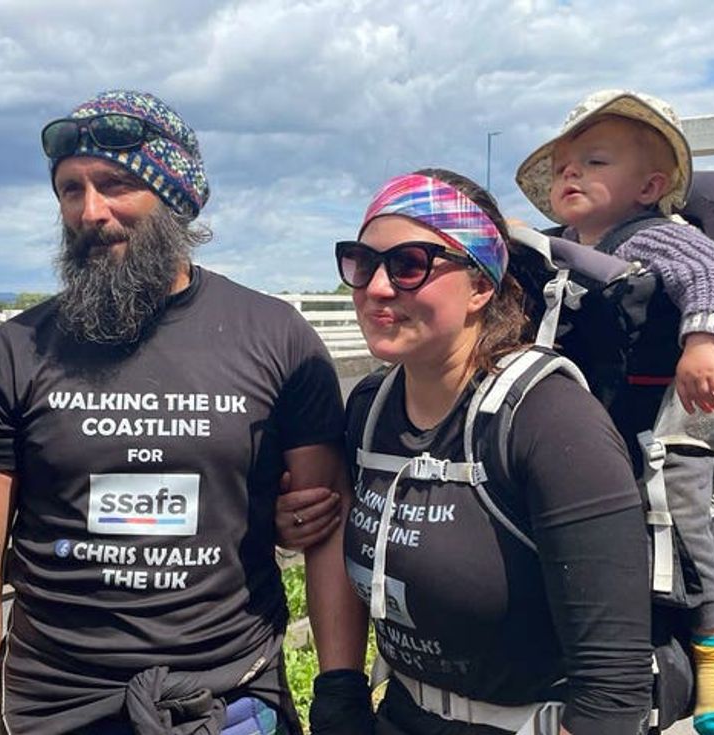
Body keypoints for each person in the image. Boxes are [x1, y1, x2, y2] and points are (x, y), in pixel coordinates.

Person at [0, 89, 367, 735]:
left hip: (229, 698)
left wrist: (338, 685)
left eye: (115, 185)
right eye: (70, 190)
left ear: (177, 199)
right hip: (53, 709)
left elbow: (324, 524)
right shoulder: (14, 353)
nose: (90, 211)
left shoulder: (276, 336)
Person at [280, 169, 654, 734]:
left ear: (481, 285)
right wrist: (338, 689)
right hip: (402, 714)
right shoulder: (370, 408)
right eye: (363, 262)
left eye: (410, 265)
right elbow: (337, 533)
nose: (377, 287)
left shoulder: (551, 422)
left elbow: (613, 688)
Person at [516, 90, 714, 735]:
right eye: (564, 167)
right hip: (592, 423)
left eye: (594, 162)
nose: (571, 174)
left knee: (687, 526)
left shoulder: (656, 239)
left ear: (651, 186)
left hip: (667, 429)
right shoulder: (557, 248)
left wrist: (703, 343)